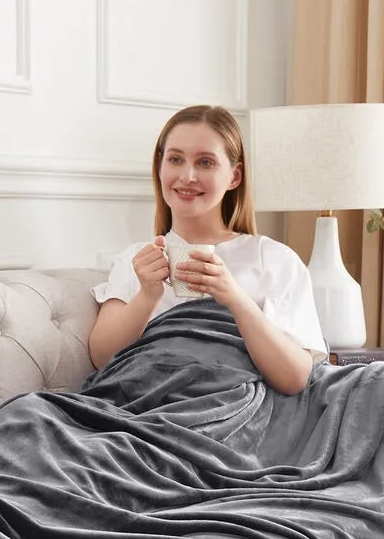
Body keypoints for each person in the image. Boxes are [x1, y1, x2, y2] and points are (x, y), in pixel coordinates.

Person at [88, 105, 327, 396]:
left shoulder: (275, 260)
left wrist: (235, 299)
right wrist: (147, 295)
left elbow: (295, 378)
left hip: (231, 407)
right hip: (147, 405)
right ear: (160, 167)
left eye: (205, 162)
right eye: (175, 159)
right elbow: (102, 359)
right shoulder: (136, 259)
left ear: (234, 176)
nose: (187, 176)